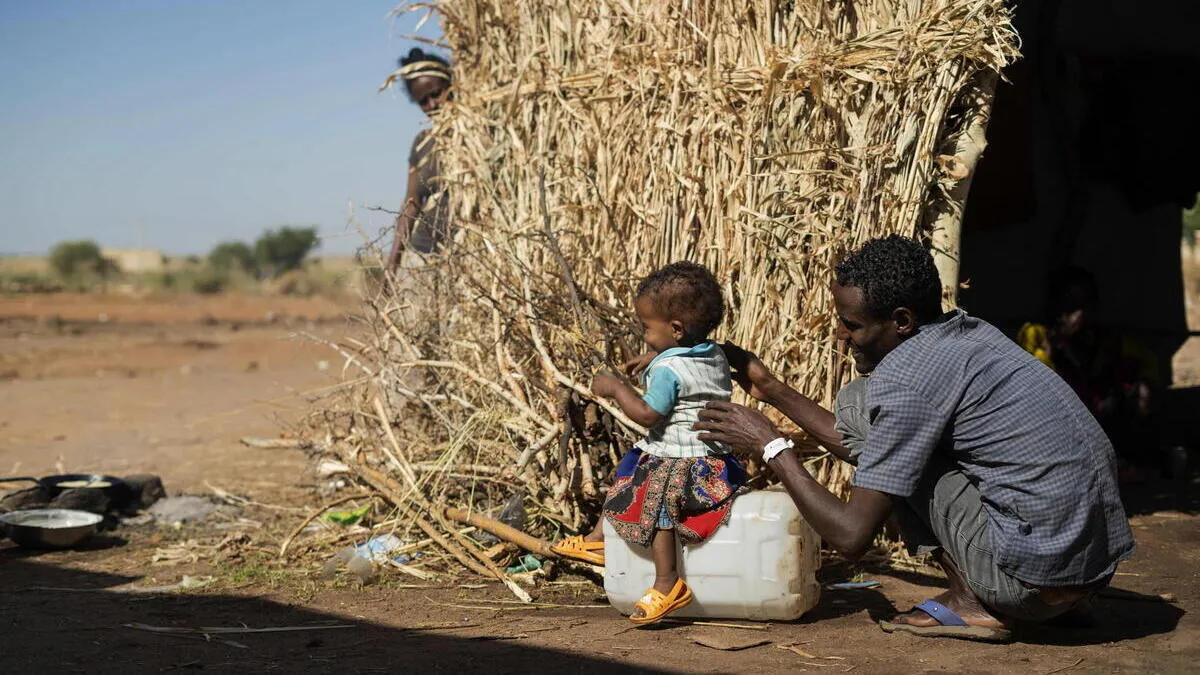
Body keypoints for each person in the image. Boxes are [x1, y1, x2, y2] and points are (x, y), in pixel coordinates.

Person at [693, 235, 1135, 642]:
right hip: (1089, 573)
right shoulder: (971, 333)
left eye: (851, 324)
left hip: (1027, 587)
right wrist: (770, 387)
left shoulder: (905, 383)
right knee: (882, 431)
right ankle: (1059, 600)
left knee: (857, 404)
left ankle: (974, 602)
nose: (841, 337)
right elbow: (881, 450)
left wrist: (771, 446)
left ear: (901, 320)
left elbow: (851, 536)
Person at [553, 262, 749, 625]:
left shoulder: (668, 370)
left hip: (685, 465)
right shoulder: (714, 353)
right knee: (632, 467)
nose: (643, 335)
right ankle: (598, 539)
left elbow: (647, 414)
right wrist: (657, 355)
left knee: (657, 498)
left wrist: (616, 388)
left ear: (675, 330)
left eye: (646, 328)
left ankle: (667, 582)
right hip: (714, 459)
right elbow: (690, 357)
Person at [1016, 266, 1163, 482]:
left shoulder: (1102, 339)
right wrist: (1052, 346)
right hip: (1055, 422)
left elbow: (1145, 361)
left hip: (1099, 415)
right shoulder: (1035, 333)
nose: (1073, 314)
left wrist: (1144, 385)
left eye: (1081, 306)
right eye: (1068, 304)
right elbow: (1038, 384)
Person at [384, 48, 453, 277]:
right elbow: (412, 203)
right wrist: (393, 263)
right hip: (424, 254)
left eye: (436, 93)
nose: (432, 104)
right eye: (423, 101)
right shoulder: (422, 143)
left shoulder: (477, 135)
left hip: (466, 254)